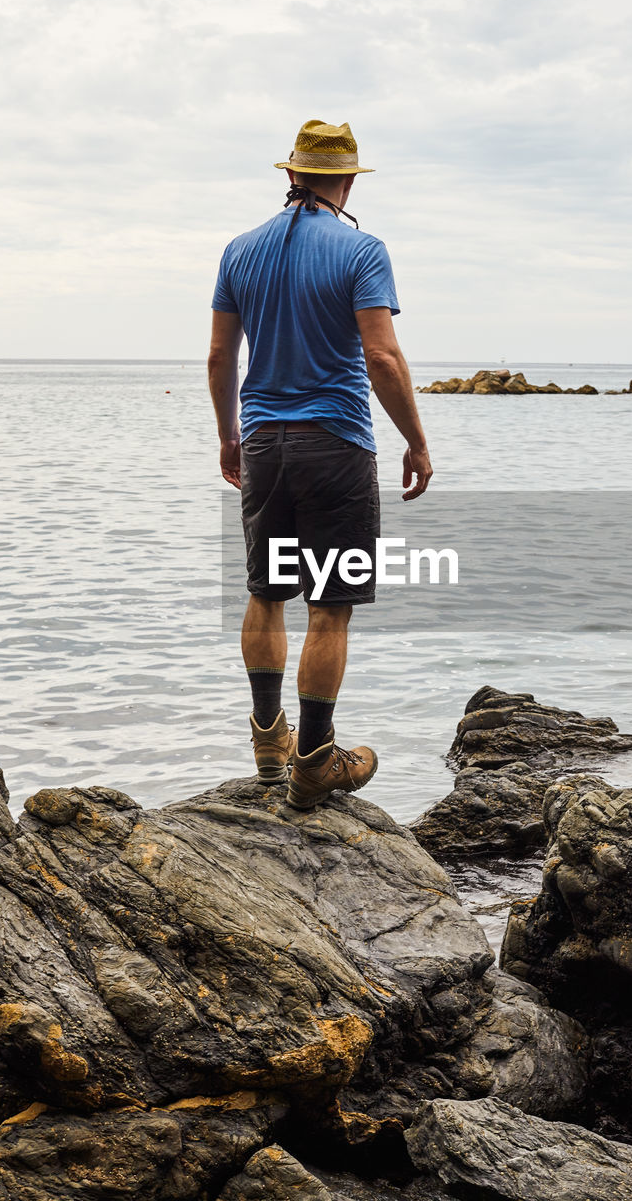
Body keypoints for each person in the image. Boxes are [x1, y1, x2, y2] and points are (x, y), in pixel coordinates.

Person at [208, 118, 432, 810]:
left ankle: (268, 747)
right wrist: (416, 441)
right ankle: (313, 762)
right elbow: (382, 356)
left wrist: (229, 435)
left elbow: (220, 358)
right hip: (334, 443)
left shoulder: (238, 251)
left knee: (266, 592)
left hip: (266, 443)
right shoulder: (361, 249)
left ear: (290, 175)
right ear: (346, 181)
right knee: (329, 607)